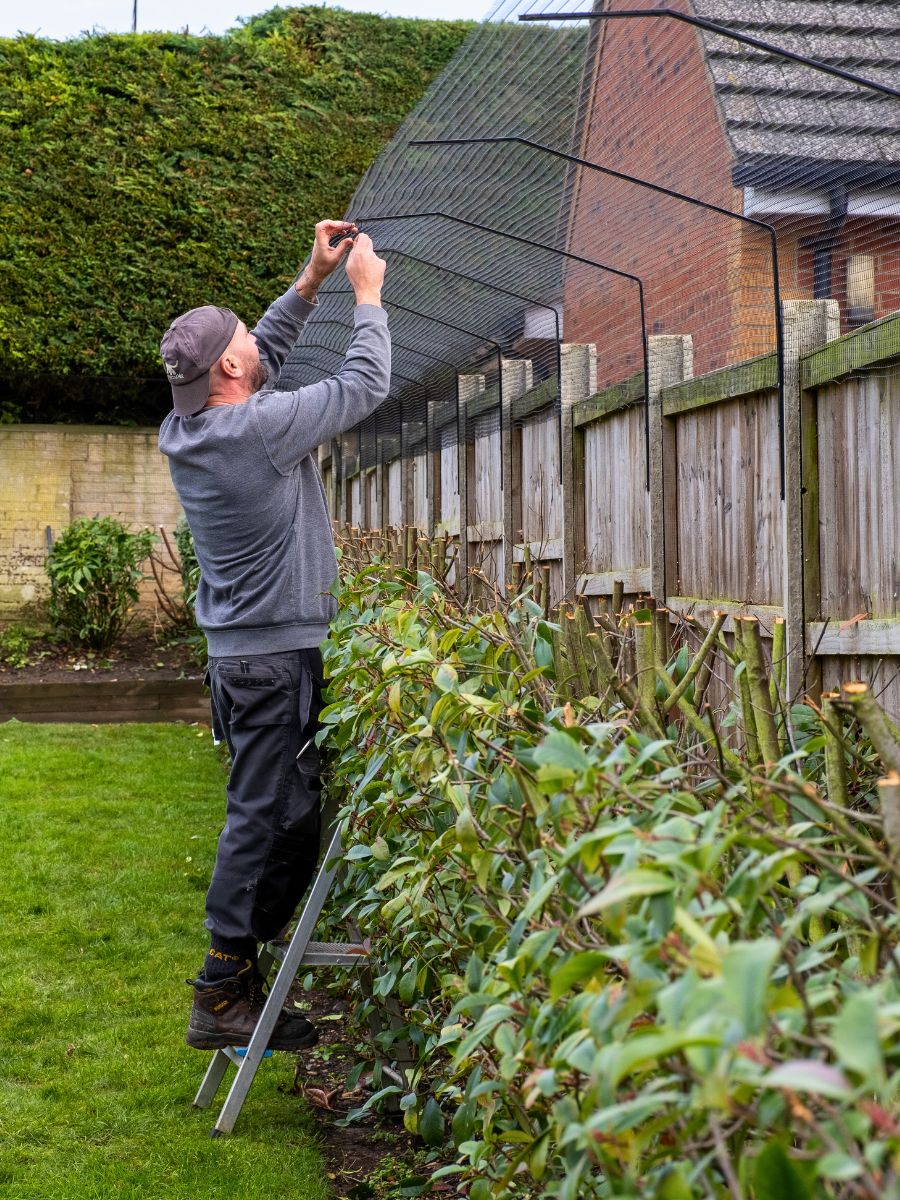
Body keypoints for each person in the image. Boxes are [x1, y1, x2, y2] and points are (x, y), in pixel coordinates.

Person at [158, 221, 389, 1050]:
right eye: (245, 339)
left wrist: (307, 282)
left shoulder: (189, 429)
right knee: (267, 817)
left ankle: (237, 982)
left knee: (276, 812)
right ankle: (221, 991)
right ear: (229, 367)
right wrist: (365, 293)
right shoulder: (256, 430)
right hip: (271, 659)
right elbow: (363, 385)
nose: (257, 342)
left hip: (244, 657)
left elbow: (264, 366)